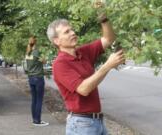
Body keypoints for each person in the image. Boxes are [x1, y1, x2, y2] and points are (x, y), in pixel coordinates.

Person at [46, 6, 125, 135]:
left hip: (97, 121)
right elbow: (83, 89)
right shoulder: (60, 64)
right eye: (67, 32)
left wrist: (103, 17)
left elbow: (108, 39)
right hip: (82, 125)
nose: (72, 33)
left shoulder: (83, 52)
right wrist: (107, 66)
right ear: (57, 41)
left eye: (72, 29)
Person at [25, 36, 49, 126]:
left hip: (31, 78)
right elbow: (44, 61)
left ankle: (34, 119)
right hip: (38, 78)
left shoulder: (28, 53)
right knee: (39, 100)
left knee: (34, 99)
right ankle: (37, 121)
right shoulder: (37, 52)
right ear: (36, 43)